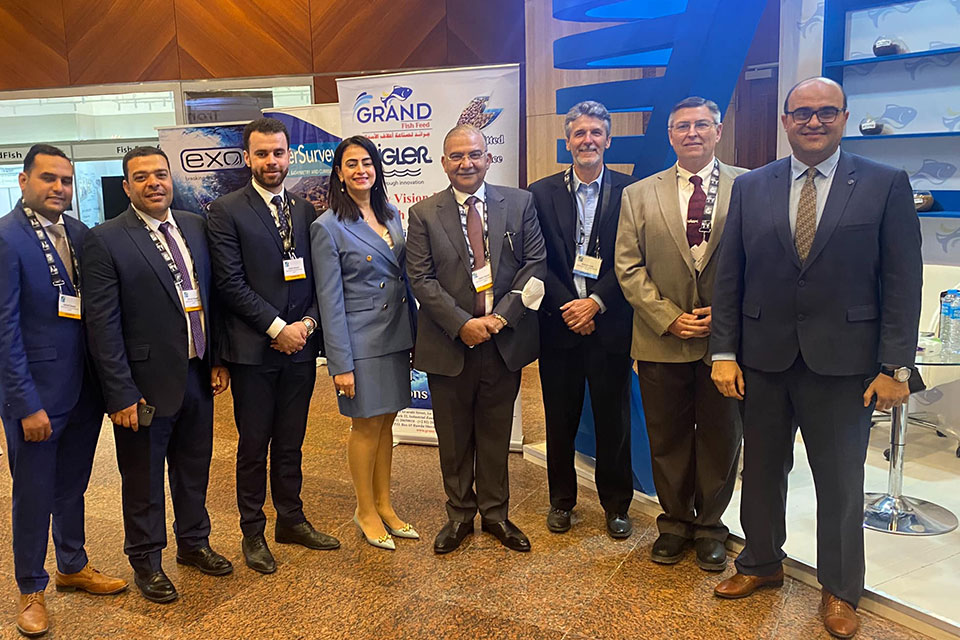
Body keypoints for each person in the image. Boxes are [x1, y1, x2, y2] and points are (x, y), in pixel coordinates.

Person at [710, 77, 922, 638]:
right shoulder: (752, 187)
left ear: (844, 117)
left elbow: (903, 282)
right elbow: (730, 277)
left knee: (840, 481)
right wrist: (723, 352)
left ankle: (840, 589)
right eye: (802, 113)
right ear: (785, 121)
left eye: (826, 112)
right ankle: (760, 562)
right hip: (763, 360)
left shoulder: (884, 184)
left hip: (846, 365)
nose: (813, 121)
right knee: (760, 471)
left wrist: (895, 367)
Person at [82, 146, 233, 604]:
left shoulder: (193, 226)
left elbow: (209, 297)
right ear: (127, 187)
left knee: (194, 468)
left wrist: (216, 358)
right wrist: (120, 393)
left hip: (196, 373)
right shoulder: (106, 239)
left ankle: (194, 543)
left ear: (171, 179)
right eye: (142, 176)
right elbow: (102, 325)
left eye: (161, 174)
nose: (154, 183)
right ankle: (146, 560)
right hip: (143, 387)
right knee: (143, 479)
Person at [614, 96, 746, 571]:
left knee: (721, 438)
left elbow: (761, 260)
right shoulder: (638, 194)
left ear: (718, 130)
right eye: (682, 126)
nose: (692, 133)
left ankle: (710, 527)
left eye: (702, 125)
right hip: (660, 339)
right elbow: (628, 267)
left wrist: (726, 315)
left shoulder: (750, 186)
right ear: (670, 135)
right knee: (666, 437)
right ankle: (673, 523)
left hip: (725, 344)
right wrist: (668, 316)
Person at [0, 144, 126, 637]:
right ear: (24, 181)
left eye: (66, 180)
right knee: (33, 493)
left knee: (73, 485)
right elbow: (5, 330)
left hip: (84, 390)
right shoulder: (7, 238)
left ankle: (72, 565)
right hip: (36, 396)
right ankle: (31, 588)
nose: (58, 188)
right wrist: (24, 404)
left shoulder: (79, 233)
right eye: (48, 178)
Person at [406, 124, 547, 554]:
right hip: (449, 344)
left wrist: (500, 318)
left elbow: (535, 264)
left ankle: (497, 514)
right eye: (456, 156)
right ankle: (459, 516)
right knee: (452, 438)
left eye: (474, 154)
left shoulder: (520, 203)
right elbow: (421, 278)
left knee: (495, 433)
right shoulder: (424, 213)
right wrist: (463, 323)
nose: (466, 163)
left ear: (488, 158)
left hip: (503, 343)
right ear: (443, 162)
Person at [207, 118, 339, 574]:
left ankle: (291, 519)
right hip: (254, 352)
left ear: (289, 156)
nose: (271, 161)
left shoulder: (304, 210)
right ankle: (253, 531)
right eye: (262, 153)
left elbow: (321, 279)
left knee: (291, 441)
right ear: (247, 158)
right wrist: (277, 328)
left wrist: (306, 324)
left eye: (278, 153)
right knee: (253, 446)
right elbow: (229, 283)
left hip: (300, 347)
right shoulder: (225, 210)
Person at [527, 101, 637, 538]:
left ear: (608, 139)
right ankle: (561, 501)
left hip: (610, 325)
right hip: (559, 326)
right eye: (579, 133)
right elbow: (537, 259)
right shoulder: (540, 192)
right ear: (567, 141)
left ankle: (617, 506)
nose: (587, 140)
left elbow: (635, 259)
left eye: (595, 133)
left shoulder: (632, 191)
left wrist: (596, 302)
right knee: (560, 420)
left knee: (614, 422)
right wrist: (570, 306)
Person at [310, 136, 419, 550]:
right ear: (339, 173)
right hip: (360, 342)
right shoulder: (327, 227)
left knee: (387, 422)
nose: (361, 170)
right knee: (366, 425)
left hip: (395, 334)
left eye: (367, 162)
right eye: (352, 164)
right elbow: (330, 300)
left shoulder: (390, 213)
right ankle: (365, 510)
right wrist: (341, 364)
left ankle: (385, 505)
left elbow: (403, 277)